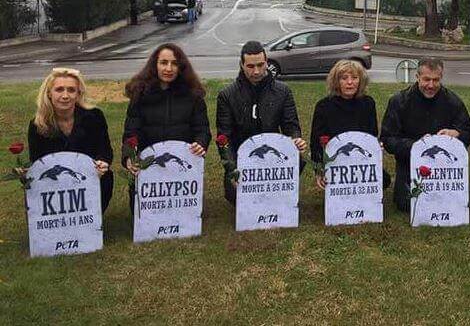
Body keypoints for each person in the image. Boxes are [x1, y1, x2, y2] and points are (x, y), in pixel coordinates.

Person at [216, 40, 307, 205]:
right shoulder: (227, 95)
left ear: (266, 62)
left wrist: (295, 139)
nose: (256, 71)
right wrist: (232, 169)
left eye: (260, 65)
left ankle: (276, 185)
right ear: (241, 65)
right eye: (250, 66)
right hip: (242, 157)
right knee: (234, 197)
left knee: (299, 160)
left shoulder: (283, 91)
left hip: (270, 153)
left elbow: (291, 125)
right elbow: (224, 138)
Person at [122, 43, 211, 211]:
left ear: (181, 67)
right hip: (148, 164)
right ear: (155, 65)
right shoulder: (140, 94)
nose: (169, 68)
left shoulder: (194, 95)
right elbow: (131, 132)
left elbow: (202, 129)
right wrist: (129, 157)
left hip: (181, 162)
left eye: (174, 63)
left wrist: (201, 143)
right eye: (163, 63)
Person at [381, 58, 470, 212]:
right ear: (417, 77)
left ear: (441, 78)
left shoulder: (453, 101)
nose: (431, 85)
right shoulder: (399, 101)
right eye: (426, 79)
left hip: (443, 167)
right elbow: (387, 139)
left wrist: (456, 133)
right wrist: (415, 145)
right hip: (410, 162)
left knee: (448, 203)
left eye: (436, 80)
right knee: (406, 204)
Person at [27, 68, 113, 213]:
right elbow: (37, 161)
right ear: (49, 93)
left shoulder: (95, 116)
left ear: (78, 93)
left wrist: (102, 163)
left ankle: (92, 216)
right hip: (54, 182)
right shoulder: (37, 125)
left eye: (71, 90)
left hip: (89, 176)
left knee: (107, 176)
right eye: (59, 90)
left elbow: (105, 150)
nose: (65, 95)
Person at [310, 59, 391, 190]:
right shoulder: (323, 106)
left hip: (360, 160)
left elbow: (372, 134)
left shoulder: (368, 103)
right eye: (344, 78)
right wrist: (319, 170)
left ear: (361, 81)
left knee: (384, 180)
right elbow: (316, 143)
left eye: (354, 78)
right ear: (336, 81)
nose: (350, 82)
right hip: (336, 161)